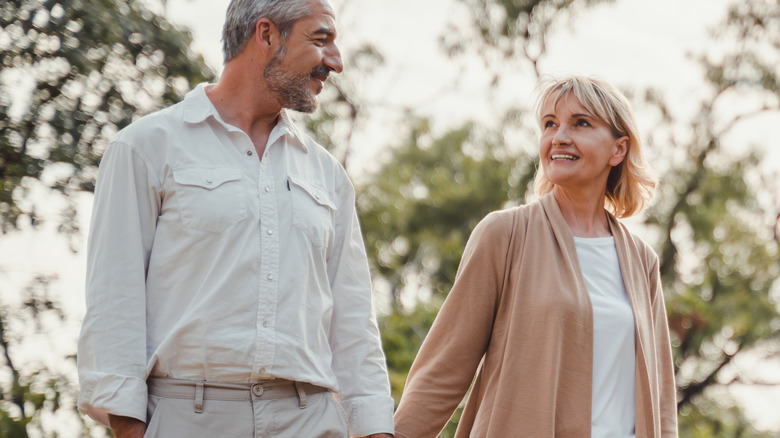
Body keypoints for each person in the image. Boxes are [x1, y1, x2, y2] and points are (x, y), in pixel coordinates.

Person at [77, 0, 395, 437]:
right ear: (266, 35)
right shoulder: (144, 148)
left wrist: (376, 430)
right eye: (320, 41)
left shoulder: (328, 176)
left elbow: (355, 324)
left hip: (311, 419)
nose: (335, 63)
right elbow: (115, 306)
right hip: (187, 418)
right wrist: (132, 429)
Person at [393, 76, 678, 437]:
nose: (559, 137)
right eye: (549, 124)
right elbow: (444, 368)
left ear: (618, 150)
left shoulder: (642, 261)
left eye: (581, 123)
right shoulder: (505, 234)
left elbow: (661, 400)